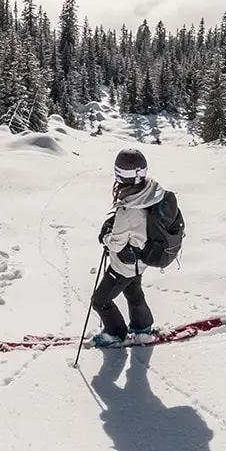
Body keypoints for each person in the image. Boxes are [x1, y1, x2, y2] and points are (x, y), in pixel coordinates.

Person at [92, 148, 163, 347]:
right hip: (141, 259)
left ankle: (115, 334)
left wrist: (105, 235)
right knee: (133, 292)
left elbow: (116, 243)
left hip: (124, 264)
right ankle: (142, 327)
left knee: (100, 301)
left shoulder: (127, 210)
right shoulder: (151, 192)